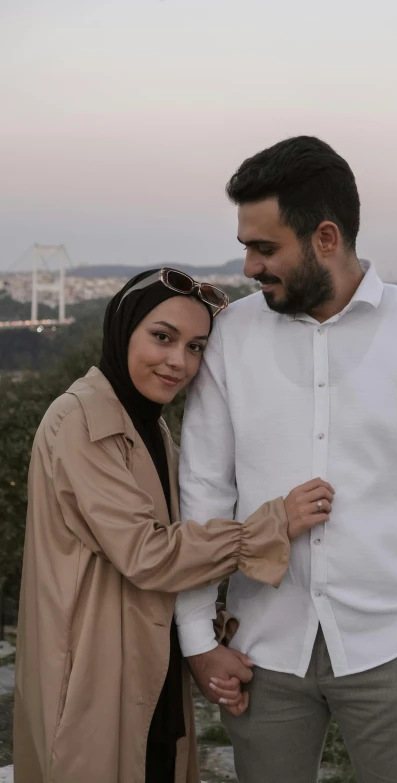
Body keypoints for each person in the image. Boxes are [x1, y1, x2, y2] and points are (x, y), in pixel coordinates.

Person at [175, 137, 397, 783]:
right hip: (261, 649)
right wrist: (197, 635)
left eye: (264, 247)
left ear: (326, 237)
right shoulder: (231, 340)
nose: (247, 265)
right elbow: (202, 490)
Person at [13, 267, 333, 783]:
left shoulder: (146, 424)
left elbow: (180, 541)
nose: (178, 362)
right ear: (123, 329)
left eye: (196, 347)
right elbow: (148, 553)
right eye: (162, 337)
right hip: (95, 670)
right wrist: (272, 523)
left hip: (144, 660)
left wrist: (209, 635)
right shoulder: (82, 421)